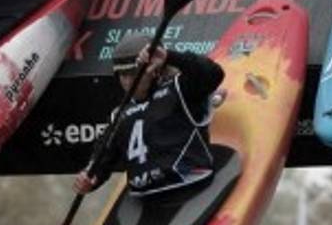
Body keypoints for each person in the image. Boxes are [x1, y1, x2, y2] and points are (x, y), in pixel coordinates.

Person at [75, 34, 226, 200]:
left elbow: (214, 74)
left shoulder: (179, 89)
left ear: (155, 70)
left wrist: (170, 56)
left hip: (190, 187)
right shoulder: (119, 114)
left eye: (132, 73)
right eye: (121, 75)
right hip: (145, 199)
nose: (126, 81)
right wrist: (91, 177)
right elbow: (104, 156)